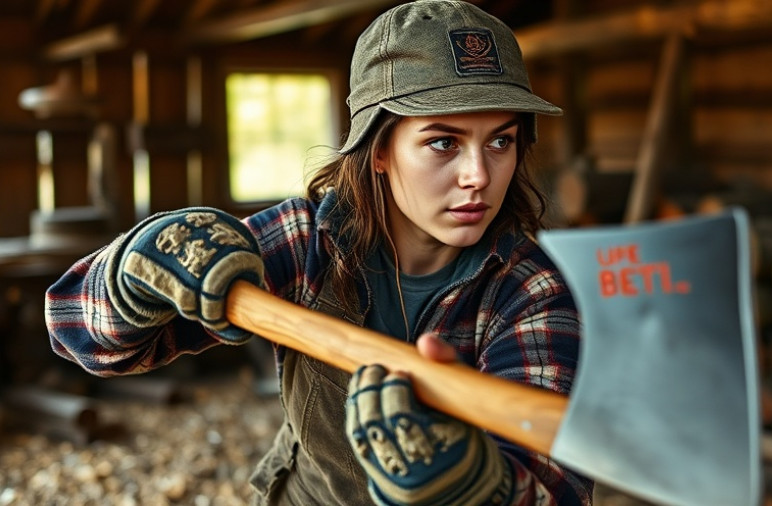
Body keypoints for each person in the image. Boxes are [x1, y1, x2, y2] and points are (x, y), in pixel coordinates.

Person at [45, 1, 593, 504]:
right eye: (444, 142)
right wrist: (130, 276)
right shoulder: (310, 241)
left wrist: (476, 486)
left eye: (500, 141)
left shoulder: (531, 290)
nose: (479, 176)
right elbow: (77, 331)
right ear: (378, 149)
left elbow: (558, 485)